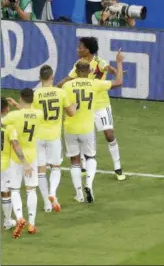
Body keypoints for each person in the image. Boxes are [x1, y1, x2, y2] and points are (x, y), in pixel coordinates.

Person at [57, 37, 126, 181]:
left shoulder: (99, 62)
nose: (77, 49)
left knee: (109, 134)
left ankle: (118, 167)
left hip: (101, 104)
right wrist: (54, 87)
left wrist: (115, 69)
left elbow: (108, 68)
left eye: (80, 47)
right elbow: (68, 79)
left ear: (87, 50)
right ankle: (83, 166)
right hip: (85, 105)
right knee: (82, 134)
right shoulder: (79, 65)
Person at [31, 65, 76, 213]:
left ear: (40, 78)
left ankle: (46, 204)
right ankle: (52, 193)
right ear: (52, 77)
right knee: (55, 167)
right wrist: (74, 105)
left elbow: (29, 116)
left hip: (38, 136)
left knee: (41, 170)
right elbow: (71, 113)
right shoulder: (61, 93)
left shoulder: (35, 94)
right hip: (54, 136)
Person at [1, 88, 43, 238]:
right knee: (31, 189)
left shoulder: (13, 116)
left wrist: (13, 107)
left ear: (20, 98)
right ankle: (31, 223)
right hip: (32, 156)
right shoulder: (39, 114)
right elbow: (28, 116)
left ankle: (19, 218)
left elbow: (3, 121)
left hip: (16, 158)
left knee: (15, 189)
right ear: (32, 99)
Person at [1, 97, 31, 232]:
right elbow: (15, 145)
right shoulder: (10, 127)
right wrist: (24, 162)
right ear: (7, 109)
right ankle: (7, 221)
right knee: (6, 192)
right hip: (4, 165)